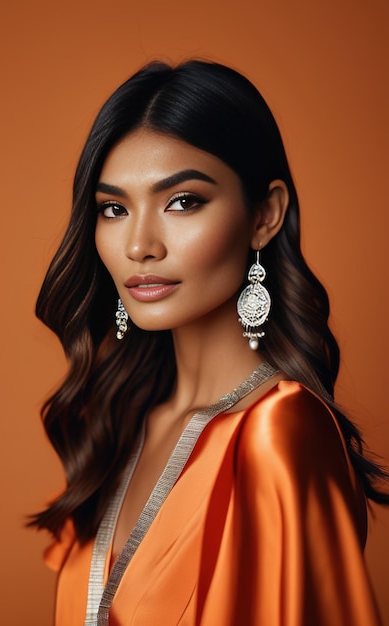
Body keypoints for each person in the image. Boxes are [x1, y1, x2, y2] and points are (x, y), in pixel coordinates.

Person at [30, 60, 388, 625]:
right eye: (114, 209)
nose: (140, 245)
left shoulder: (280, 431)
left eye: (182, 201)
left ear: (265, 215)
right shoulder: (119, 426)